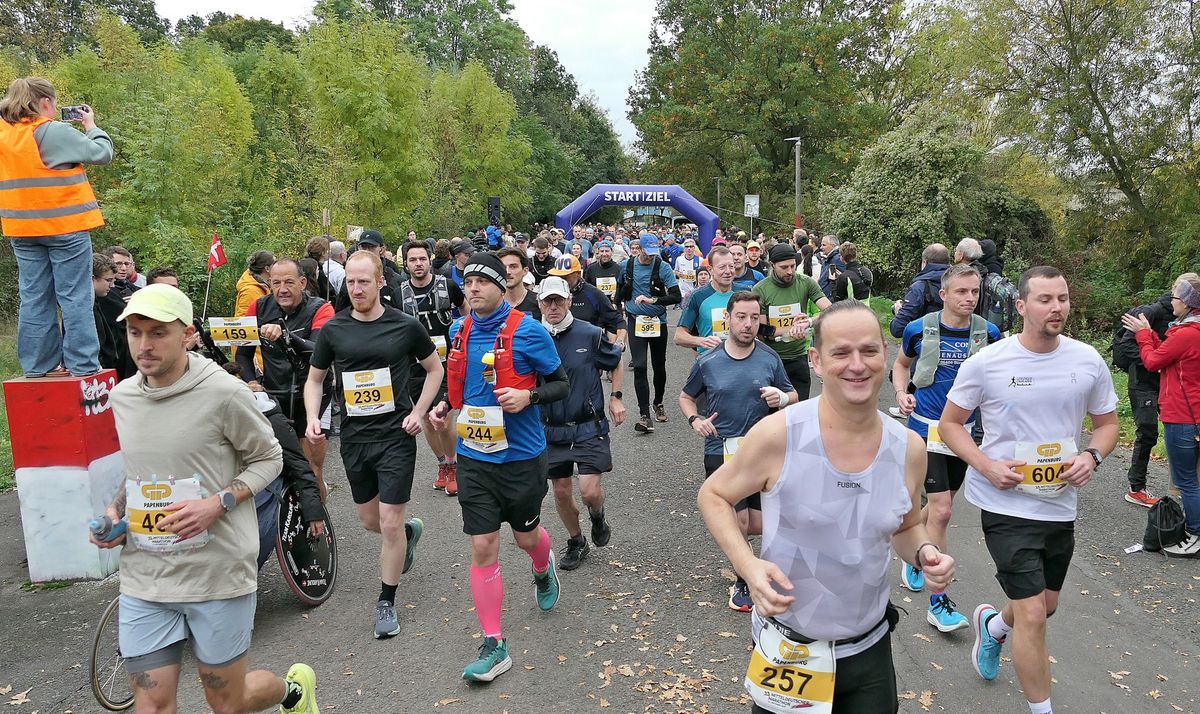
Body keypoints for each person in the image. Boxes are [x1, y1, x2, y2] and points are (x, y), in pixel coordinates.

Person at [698, 299, 955, 713]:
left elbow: (906, 527)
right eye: (841, 353)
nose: (857, 365)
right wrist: (748, 566)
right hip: (790, 649)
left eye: (868, 350)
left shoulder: (907, 447)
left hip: (869, 648)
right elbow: (713, 495)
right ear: (816, 360)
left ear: (884, 354)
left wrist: (925, 552)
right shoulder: (779, 434)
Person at [91, 283, 318, 714]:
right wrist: (115, 512)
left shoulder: (224, 393)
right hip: (148, 576)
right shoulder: (122, 397)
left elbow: (269, 458)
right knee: (152, 705)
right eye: (136, 333)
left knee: (228, 702)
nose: (144, 345)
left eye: (158, 332)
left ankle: (292, 692)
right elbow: (140, 470)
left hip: (217, 574)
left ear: (188, 335)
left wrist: (217, 504)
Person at [939, 266, 1118, 714]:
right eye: (1045, 299)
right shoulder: (988, 362)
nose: (1057, 307)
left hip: (1058, 503)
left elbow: (1108, 425)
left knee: (1045, 605)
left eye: (1062, 298)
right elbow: (950, 424)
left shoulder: (1086, 360)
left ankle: (994, 627)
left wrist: (1091, 456)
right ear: (1020, 306)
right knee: (1034, 615)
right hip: (1004, 503)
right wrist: (986, 465)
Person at [426, 253, 570, 682]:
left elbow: (561, 384)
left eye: (482, 281)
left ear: (502, 287)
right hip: (474, 457)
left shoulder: (529, 331)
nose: (473, 288)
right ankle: (494, 643)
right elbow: (461, 383)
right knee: (483, 545)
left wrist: (529, 397)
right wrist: (444, 405)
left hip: (521, 457)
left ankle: (542, 568)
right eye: (468, 281)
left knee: (526, 538)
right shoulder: (458, 330)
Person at [304, 250, 443, 639]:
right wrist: (314, 416)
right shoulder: (334, 329)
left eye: (364, 281)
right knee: (371, 521)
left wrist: (418, 411)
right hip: (355, 439)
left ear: (381, 282)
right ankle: (408, 535)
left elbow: (435, 369)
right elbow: (315, 379)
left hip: (396, 436)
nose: (357, 288)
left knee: (389, 521)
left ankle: (386, 601)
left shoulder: (405, 325)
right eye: (350, 281)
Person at [892, 265, 1002, 631]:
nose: (970, 298)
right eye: (962, 292)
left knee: (941, 506)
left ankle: (913, 546)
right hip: (926, 429)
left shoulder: (988, 333)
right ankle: (938, 603)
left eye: (975, 292)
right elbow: (901, 365)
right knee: (941, 510)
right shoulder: (918, 328)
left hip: (963, 433)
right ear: (943, 295)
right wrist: (901, 393)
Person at [681, 291, 797, 612]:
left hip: (761, 451)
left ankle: (749, 561)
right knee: (740, 519)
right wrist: (695, 420)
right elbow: (686, 397)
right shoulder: (708, 361)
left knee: (761, 522)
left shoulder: (770, 358)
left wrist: (781, 398)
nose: (748, 324)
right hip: (721, 449)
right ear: (728, 319)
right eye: (741, 317)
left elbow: (793, 395)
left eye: (754, 318)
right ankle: (744, 579)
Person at [1, 77, 112, 378]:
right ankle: (83, 365)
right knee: (75, 297)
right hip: (65, 227)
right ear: (46, 103)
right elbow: (102, 153)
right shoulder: (53, 130)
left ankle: (39, 366)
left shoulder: (4, 133)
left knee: (34, 297)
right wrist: (91, 125)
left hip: (22, 230)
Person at [538, 277, 625, 570]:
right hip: (550, 427)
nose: (553, 306)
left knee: (589, 491)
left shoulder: (590, 333)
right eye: (547, 301)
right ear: (539, 303)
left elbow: (615, 361)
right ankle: (577, 541)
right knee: (561, 492)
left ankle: (597, 516)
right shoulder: (532, 336)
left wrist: (616, 397)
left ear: (568, 301)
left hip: (588, 424)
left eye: (558, 300)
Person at [236, 258, 336, 501]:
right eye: (276, 283)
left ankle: (318, 516)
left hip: (313, 395)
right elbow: (242, 354)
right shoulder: (258, 307)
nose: (282, 289)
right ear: (269, 283)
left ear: (303, 283)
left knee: (310, 468)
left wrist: (286, 336)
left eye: (289, 283)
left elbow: (318, 350)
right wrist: (251, 381)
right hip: (275, 393)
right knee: (276, 464)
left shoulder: (321, 308)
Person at [1121, 273, 1200, 557]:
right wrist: (1150, 334)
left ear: (1188, 303)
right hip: (1192, 413)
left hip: (1183, 415)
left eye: (1176, 297)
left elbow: (1154, 361)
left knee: (1186, 480)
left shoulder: (1188, 334)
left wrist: (1144, 335)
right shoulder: (1189, 332)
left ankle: (1195, 535)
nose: (1171, 301)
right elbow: (1168, 353)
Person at [397, 239, 466, 495]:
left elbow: (465, 309)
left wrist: (465, 336)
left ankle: (453, 464)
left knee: (443, 418)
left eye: (422, 259)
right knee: (426, 418)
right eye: (413, 260)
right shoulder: (399, 293)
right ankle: (442, 464)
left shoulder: (447, 286)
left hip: (446, 363)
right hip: (415, 366)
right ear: (406, 264)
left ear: (429, 261)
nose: (418, 264)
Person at [1113, 291, 1176, 506]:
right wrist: (1154, 364)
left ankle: (1183, 486)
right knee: (1148, 433)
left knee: (1180, 431)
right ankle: (1136, 488)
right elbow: (1126, 344)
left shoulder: (1186, 317)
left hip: (1168, 383)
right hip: (1143, 382)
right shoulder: (1151, 312)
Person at [617, 233, 681, 433]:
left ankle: (658, 402)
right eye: (648, 252)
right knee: (640, 366)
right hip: (635, 321)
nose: (651, 256)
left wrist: (653, 300)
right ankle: (644, 415)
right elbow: (619, 289)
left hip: (657, 321)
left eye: (655, 252)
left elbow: (676, 296)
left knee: (659, 366)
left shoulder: (663, 267)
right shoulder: (626, 266)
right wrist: (617, 311)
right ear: (640, 248)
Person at [752, 243, 830, 399]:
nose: (790, 271)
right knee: (773, 409)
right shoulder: (760, 289)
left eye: (793, 266)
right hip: (771, 359)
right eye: (784, 267)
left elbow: (831, 310)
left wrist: (808, 322)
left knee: (799, 406)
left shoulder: (805, 282)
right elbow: (761, 331)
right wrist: (791, 329)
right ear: (772, 265)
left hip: (798, 357)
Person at [549, 254, 627, 345]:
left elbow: (618, 321)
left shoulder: (593, 294)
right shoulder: (548, 294)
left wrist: (619, 343)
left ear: (578, 274)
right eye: (557, 277)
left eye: (565, 277)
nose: (561, 281)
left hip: (587, 347)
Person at [677, 246, 741, 355]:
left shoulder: (745, 292)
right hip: (711, 358)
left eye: (731, 266)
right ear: (710, 269)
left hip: (740, 358)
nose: (728, 271)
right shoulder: (698, 296)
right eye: (722, 267)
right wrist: (702, 341)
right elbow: (679, 336)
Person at [890, 243, 950, 338]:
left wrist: (898, 312)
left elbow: (897, 329)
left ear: (925, 263)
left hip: (926, 342)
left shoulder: (919, 287)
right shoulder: (959, 284)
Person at [334, 232, 404, 312]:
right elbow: (340, 309)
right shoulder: (350, 278)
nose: (367, 251)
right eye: (364, 247)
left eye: (371, 247)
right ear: (358, 248)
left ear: (381, 249)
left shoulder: (393, 278)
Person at [91, 253, 119, 373]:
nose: (111, 285)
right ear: (93, 278)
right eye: (108, 280)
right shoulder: (86, 309)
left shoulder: (95, 302)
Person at [497, 247, 541, 319]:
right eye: (503, 267)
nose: (507, 272)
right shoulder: (491, 304)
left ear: (525, 271)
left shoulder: (538, 303)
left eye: (513, 267)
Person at [234, 251, 275, 318]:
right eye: (274, 265)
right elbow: (243, 320)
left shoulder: (264, 286)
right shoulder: (250, 290)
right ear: (267, 269)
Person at [816, 234, 843, 300]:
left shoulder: (837, 259)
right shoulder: (829, 259)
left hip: (832, 299)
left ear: (833, 246)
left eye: (824, 245)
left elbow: (843, 280)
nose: (821, 247)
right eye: (821, 245)